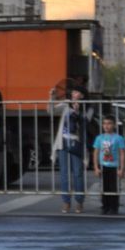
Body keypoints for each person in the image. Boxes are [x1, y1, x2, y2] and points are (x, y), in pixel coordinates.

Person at [49, 86, 88, 214]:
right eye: (73, 91)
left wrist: (77, 112)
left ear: (82, 95)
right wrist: (52, 97)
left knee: (78, 173)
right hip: (63, 142)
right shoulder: (66, 105)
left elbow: (86, 122)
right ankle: (66, 202)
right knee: (64, 174)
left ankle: (79, 202)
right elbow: (51, 111)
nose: (73, 93)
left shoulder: (87, 107)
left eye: (77, 92)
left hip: (77, 143)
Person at [91, 115, 125, 216]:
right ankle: (105, 206)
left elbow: (122, 153)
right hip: (103, 166)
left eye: (109, 123)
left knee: (114, 188)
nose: (106, 126)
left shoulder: (118, 138)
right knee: (104, 187)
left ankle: (114, 207)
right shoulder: (99, 138)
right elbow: (96, 152)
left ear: (114, 125)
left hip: (114, 166)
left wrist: (122, 168)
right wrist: (96, 166)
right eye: (104, 124)